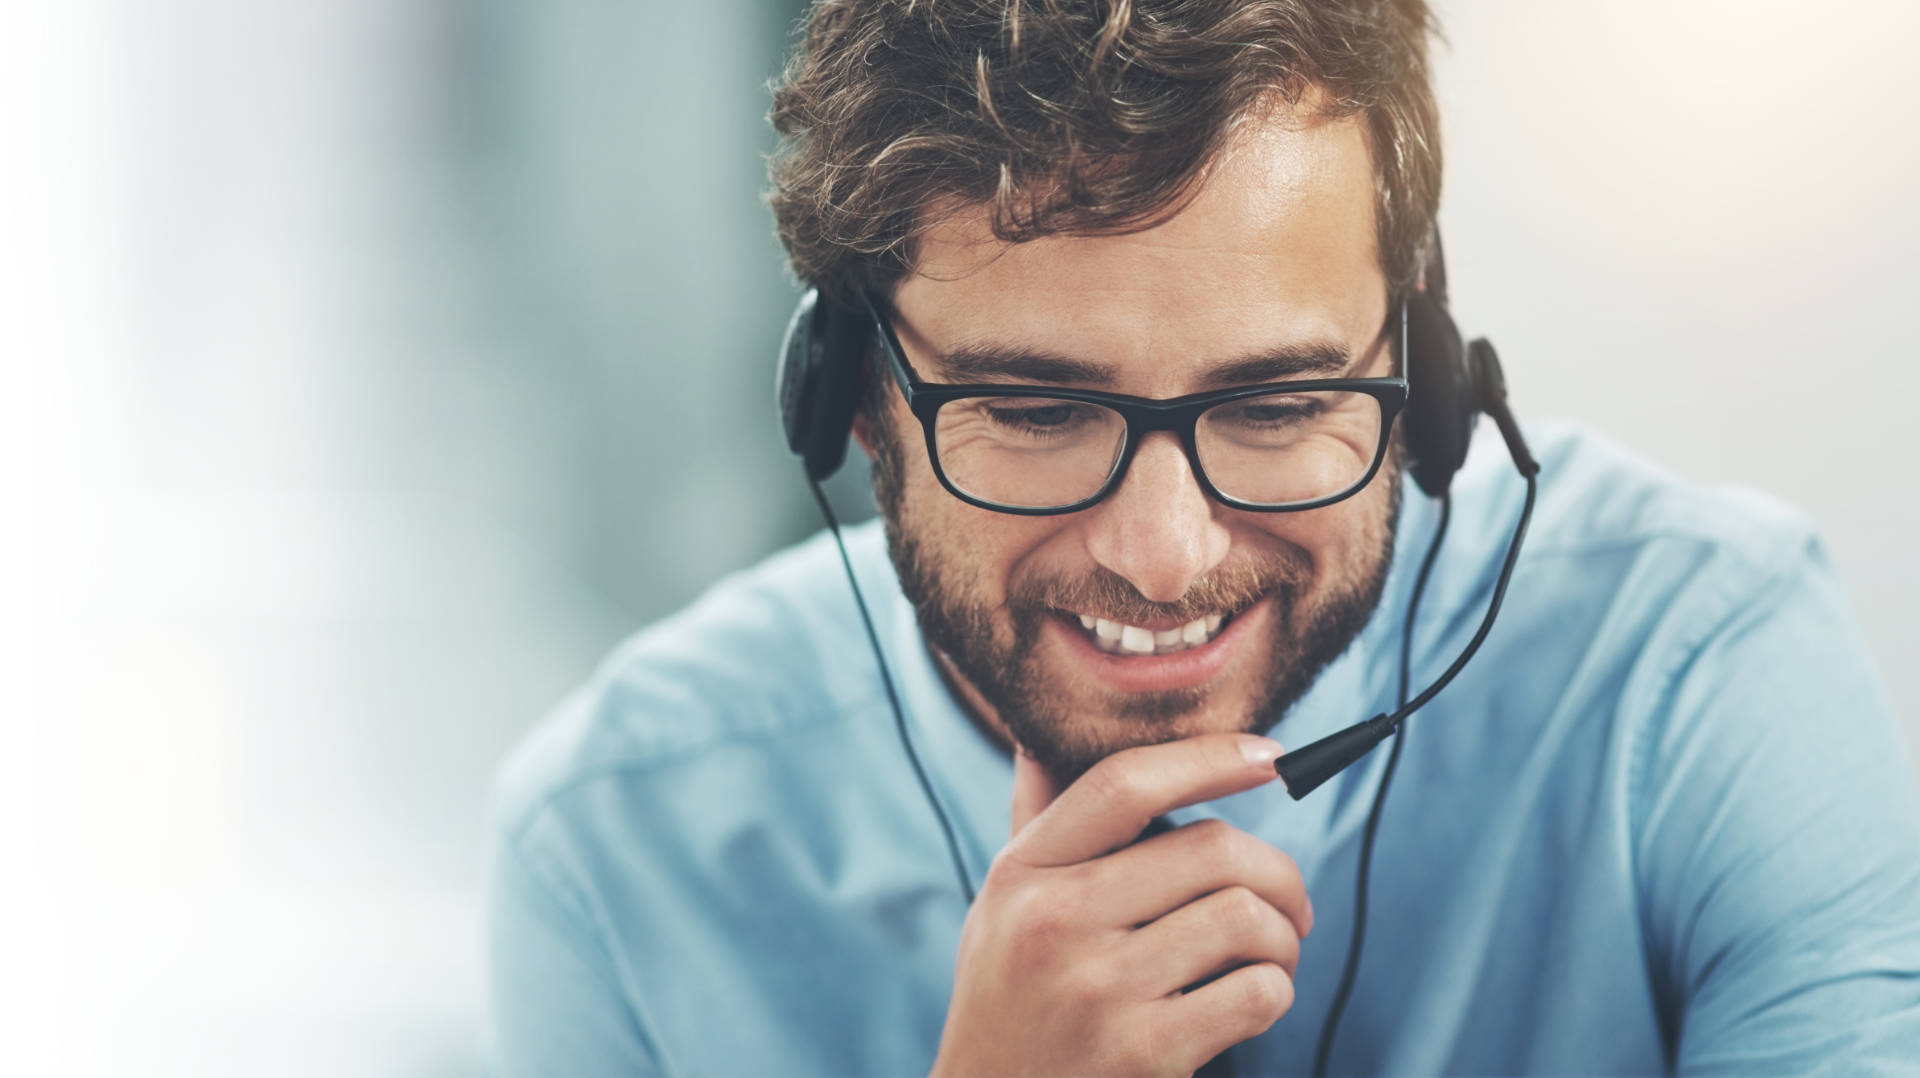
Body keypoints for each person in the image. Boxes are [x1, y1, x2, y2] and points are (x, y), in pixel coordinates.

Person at [485, 1, 1920, 1074]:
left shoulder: (1697, 672)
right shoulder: (615, 849)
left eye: (1279, 403)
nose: (1163, 555)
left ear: (1422, 372)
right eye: (1035, 411)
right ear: (855, 399)